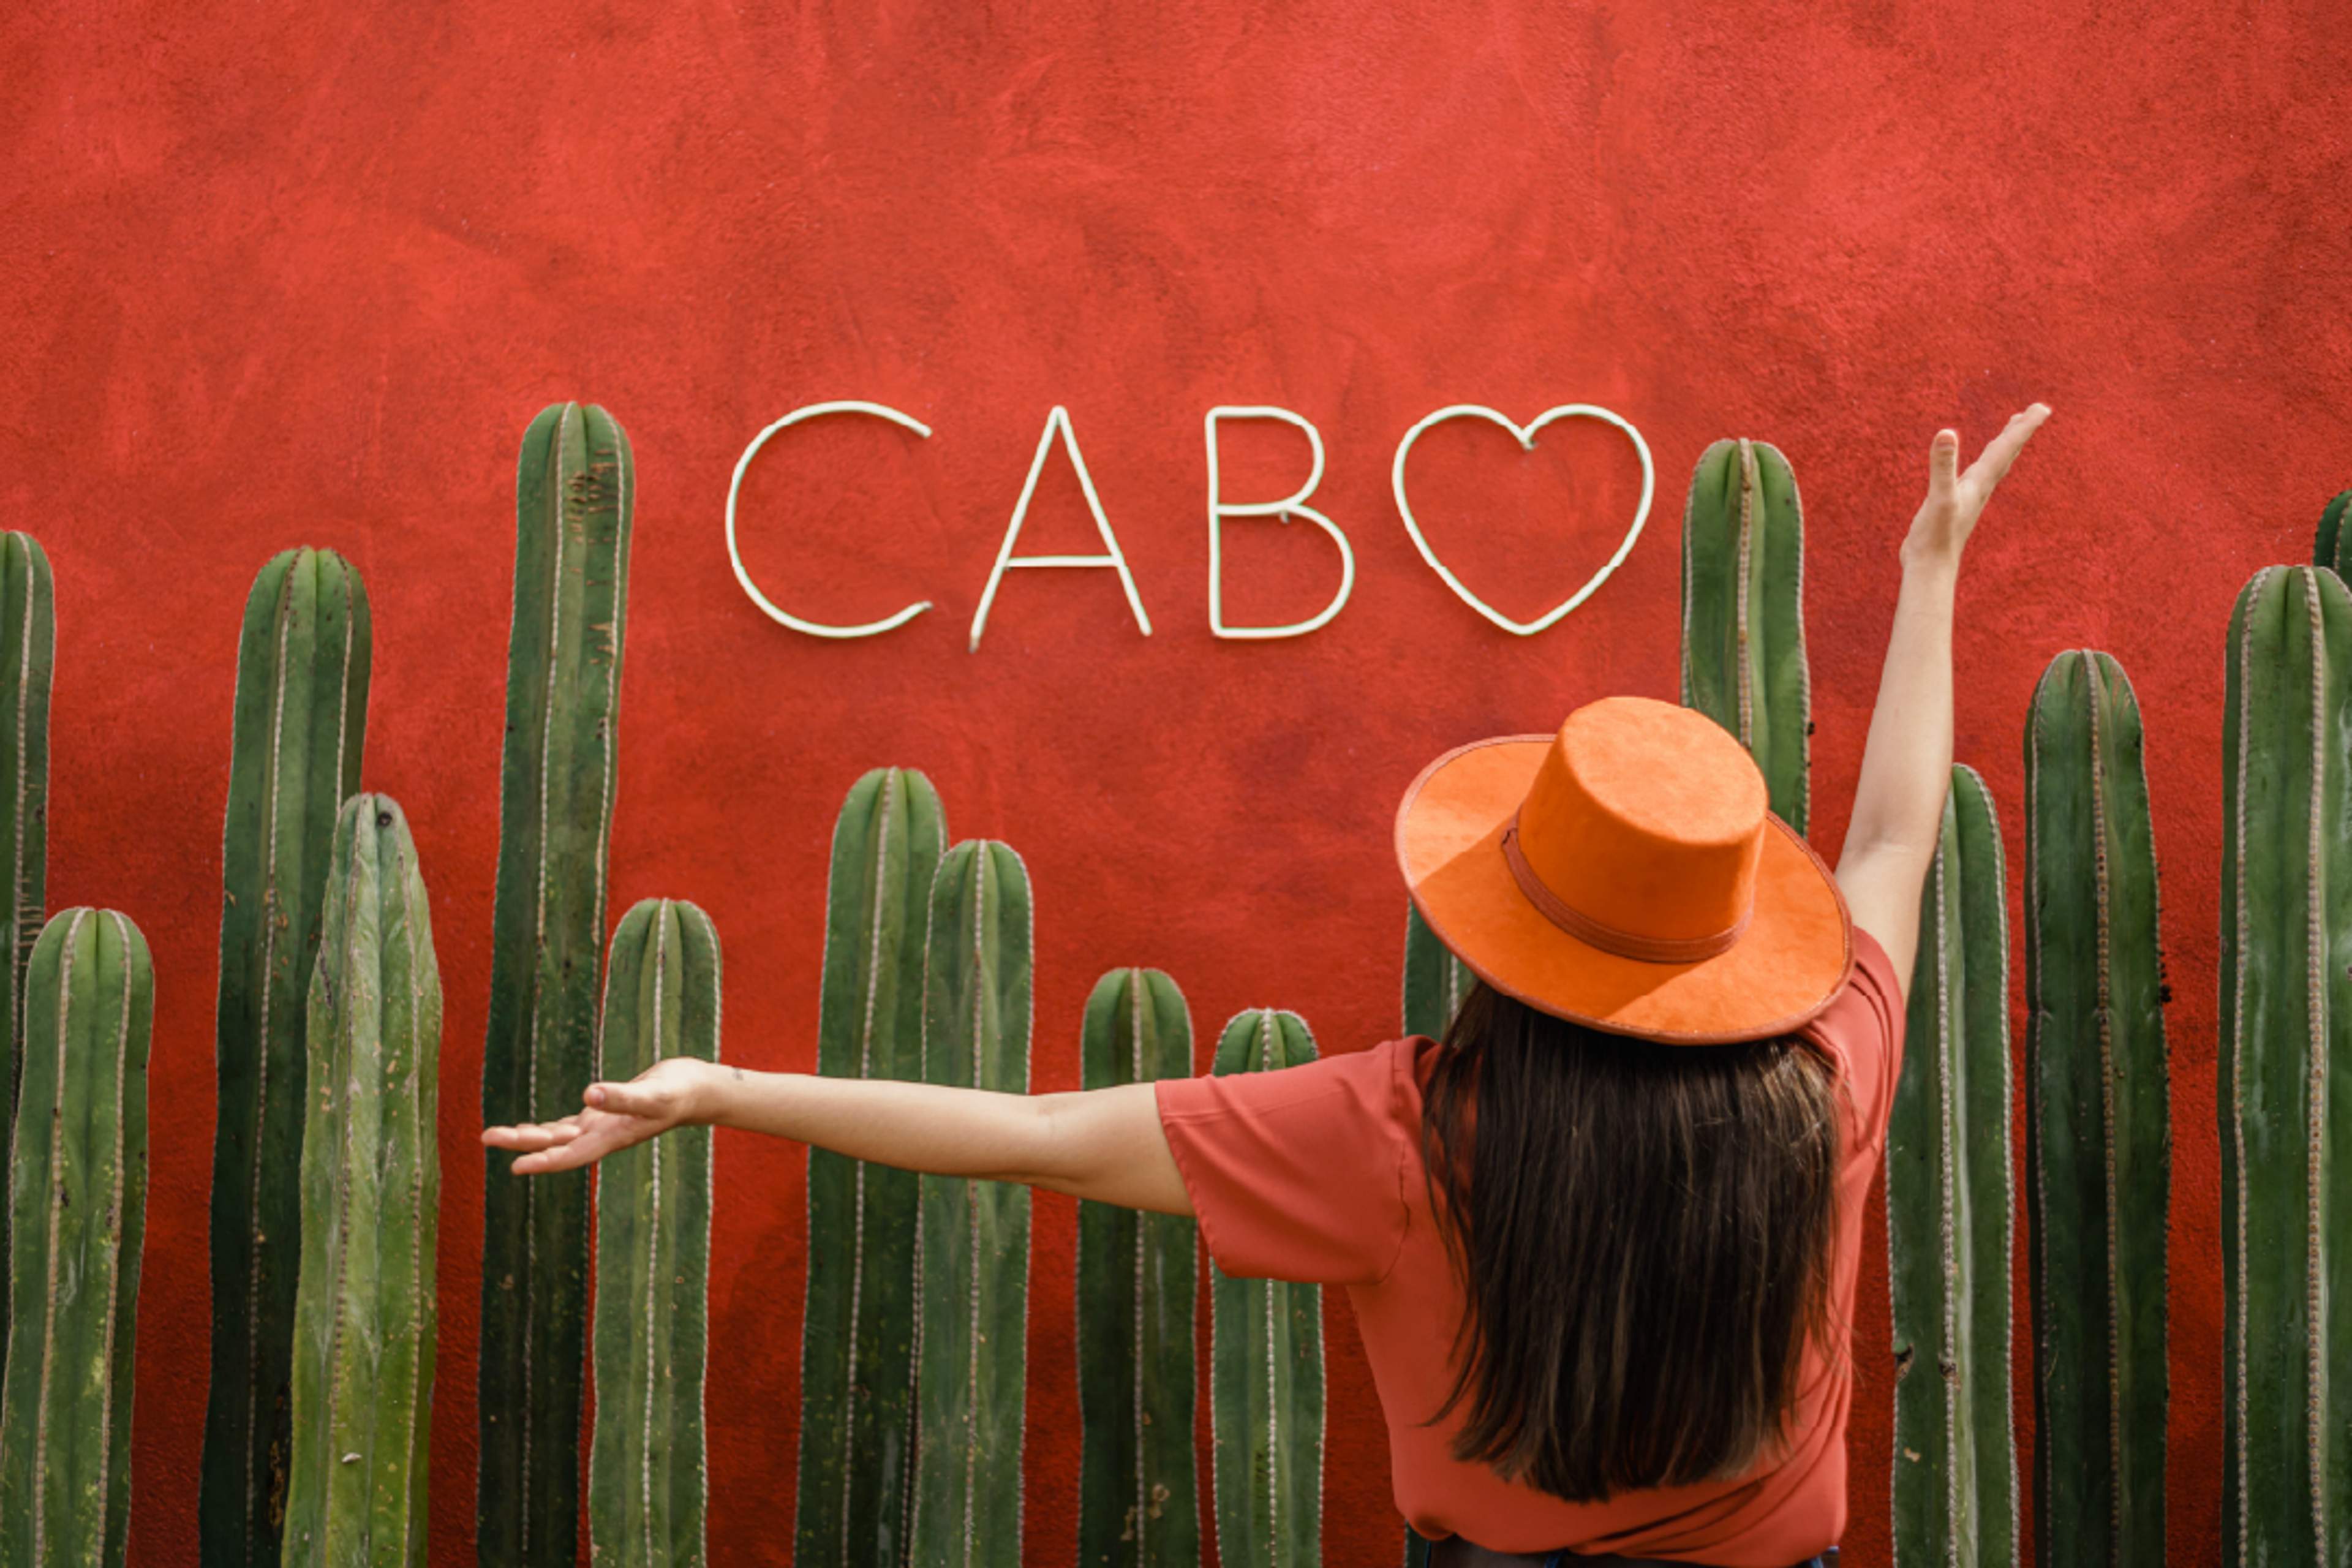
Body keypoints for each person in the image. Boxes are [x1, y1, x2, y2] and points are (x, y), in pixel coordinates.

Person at [484, 403, 2050, 1567]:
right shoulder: (1827, 1078)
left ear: (1510, 936)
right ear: (1728, 942)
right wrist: (1932, 573)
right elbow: (1901, 834)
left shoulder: (1401, 1132)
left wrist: (722, 1092)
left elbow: (1029, 1133)